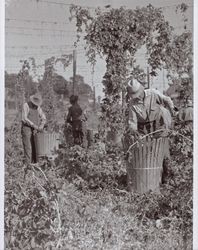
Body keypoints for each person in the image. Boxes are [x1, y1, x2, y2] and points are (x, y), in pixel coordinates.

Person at [21, 93, 46, 164]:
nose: (35, 105)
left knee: (36, 148)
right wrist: (34, 125)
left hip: (35, 130)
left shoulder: (38, 107)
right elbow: (24, 118)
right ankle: (28, 167)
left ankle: (35, 166)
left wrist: (41, 126)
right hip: (27, 129)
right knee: (28, 148)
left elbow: (43, 118)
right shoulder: (26, 105)